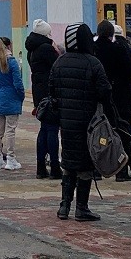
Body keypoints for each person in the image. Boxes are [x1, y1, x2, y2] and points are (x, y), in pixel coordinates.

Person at [48, 22, 112, 221]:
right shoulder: (93, 63)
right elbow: (105, 91)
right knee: (85, 164)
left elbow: (52, 90)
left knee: (68, 160)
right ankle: (82, 208)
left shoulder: (60, 62)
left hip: (66, 122)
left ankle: (64, 206)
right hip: (88, 122)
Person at [92, 20, 131, 181]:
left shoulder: (92, 50)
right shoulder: (118, 49)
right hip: (120, 97)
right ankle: (122, 170)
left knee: (98, 132)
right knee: (122, 132)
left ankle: (96, 169)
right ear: (112, 34)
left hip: (98, 99)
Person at [26, 19, 60, 178]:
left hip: (38, 93)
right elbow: (57, 66)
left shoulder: (31, 49)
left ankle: (41, 167)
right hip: (49, 92)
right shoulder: (46, 48)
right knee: (52, 129)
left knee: (44, 129)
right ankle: (54, 166)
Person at [0, 36, 26, 171]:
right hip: (12, 98)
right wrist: (21, 96)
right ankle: (11, 158)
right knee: (10, 130)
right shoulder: (12, 62)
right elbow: (18, 83)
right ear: (9, 46)